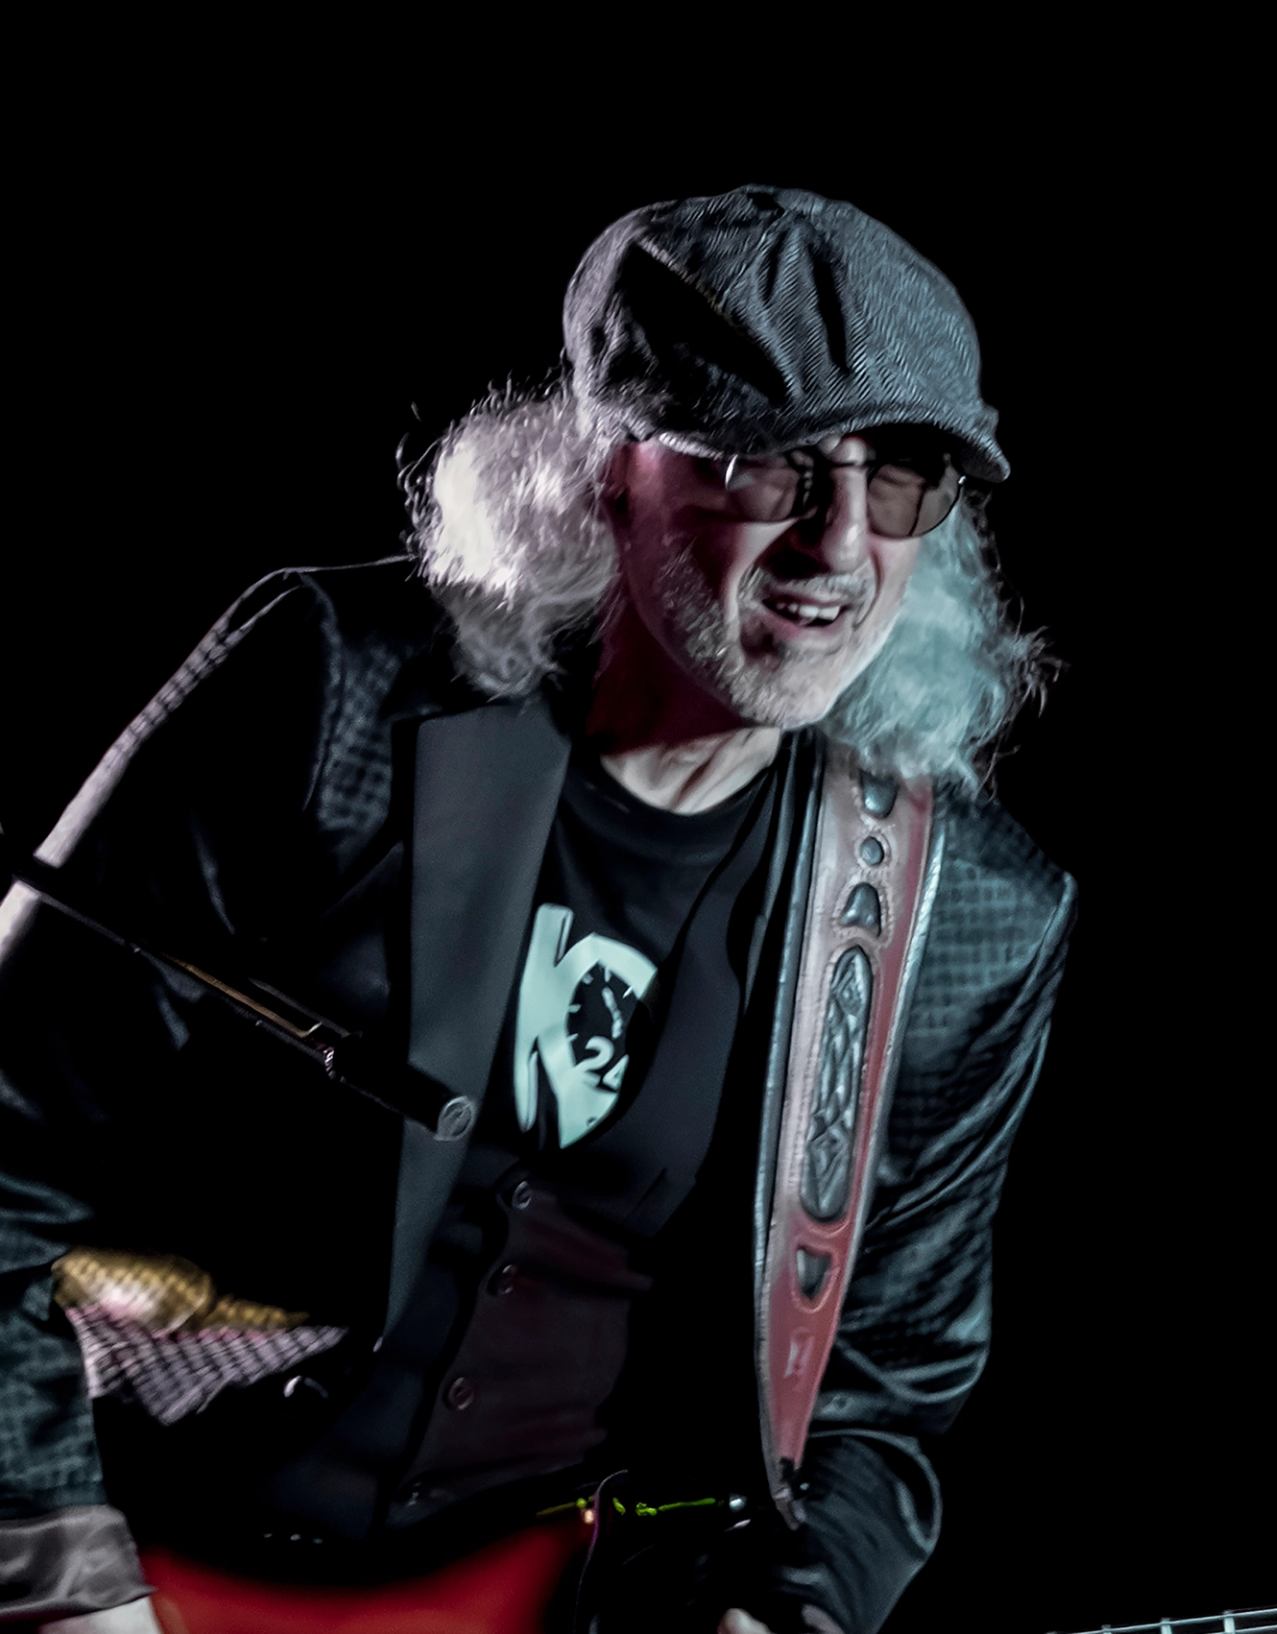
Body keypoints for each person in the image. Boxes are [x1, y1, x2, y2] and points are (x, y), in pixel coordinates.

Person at [0, 184, 1078, 1634]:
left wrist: (779, 1614)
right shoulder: (337, 698)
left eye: (897, 480)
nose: (838, 545)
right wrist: (62, 1577)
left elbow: (878, 1396)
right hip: (140, 1532)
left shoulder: (964, 916)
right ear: (602, 467)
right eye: (771, 465)